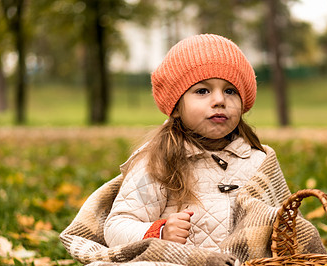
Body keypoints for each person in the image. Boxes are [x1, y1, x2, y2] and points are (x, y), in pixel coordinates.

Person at [103, 34, 287, 251]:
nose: (219, 100)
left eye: (230, 91)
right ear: (176, 107)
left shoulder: (258, 161)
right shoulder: (157, 161)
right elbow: (116, 227)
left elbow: (286, 223)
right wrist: (160, 232)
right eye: (202, 91)